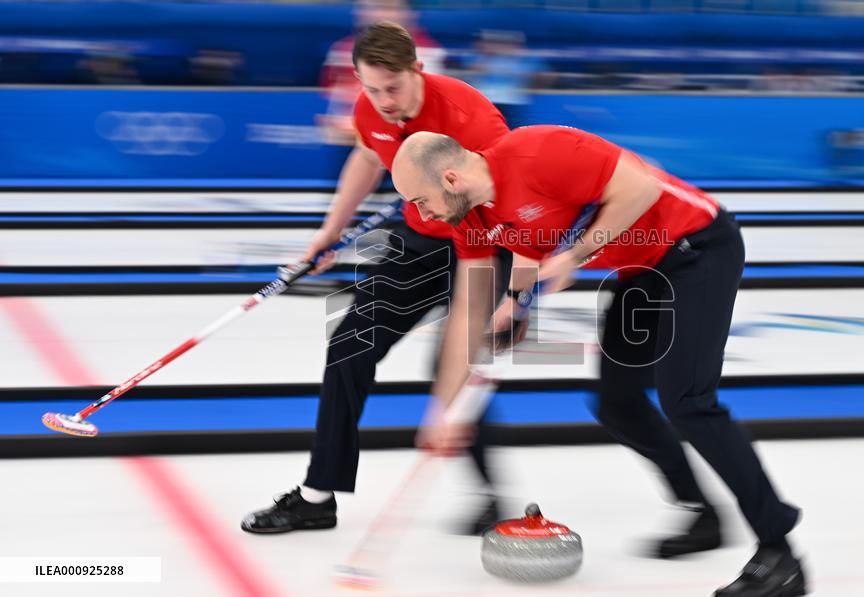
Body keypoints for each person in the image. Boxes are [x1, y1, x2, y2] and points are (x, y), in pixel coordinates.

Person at [391, 127, 807, 596]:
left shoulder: (537, 151)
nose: (420, 214)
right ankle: (701, 512)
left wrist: (575, 254)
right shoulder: (471, 215)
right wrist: (512, 308)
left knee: (688, 401)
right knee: (618, 404)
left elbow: (641, 187)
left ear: (450, 178)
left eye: (420, 200)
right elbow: (489, 285)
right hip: (641, 271)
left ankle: (780, 553)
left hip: (696, 247)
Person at [241, 21, 511, 537]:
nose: (384, 101)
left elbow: (505, 196)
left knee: (452, 364)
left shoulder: (471, 116)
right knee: (349, 346)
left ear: (417, 70)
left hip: (482, 245)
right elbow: (367, 157)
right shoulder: (370, 109)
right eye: (372, 89)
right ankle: (317, 498)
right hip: (418, 243)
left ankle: (490, 496)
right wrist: (330, 233)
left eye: (394, 88)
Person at [317, 0, 444, 145]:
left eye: (387, 7)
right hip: (355, 144)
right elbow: (336, 116)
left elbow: (423, 121)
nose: (379, 14)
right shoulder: (343, 52)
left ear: (409, 14)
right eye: (373, 7)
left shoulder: (426, 53)